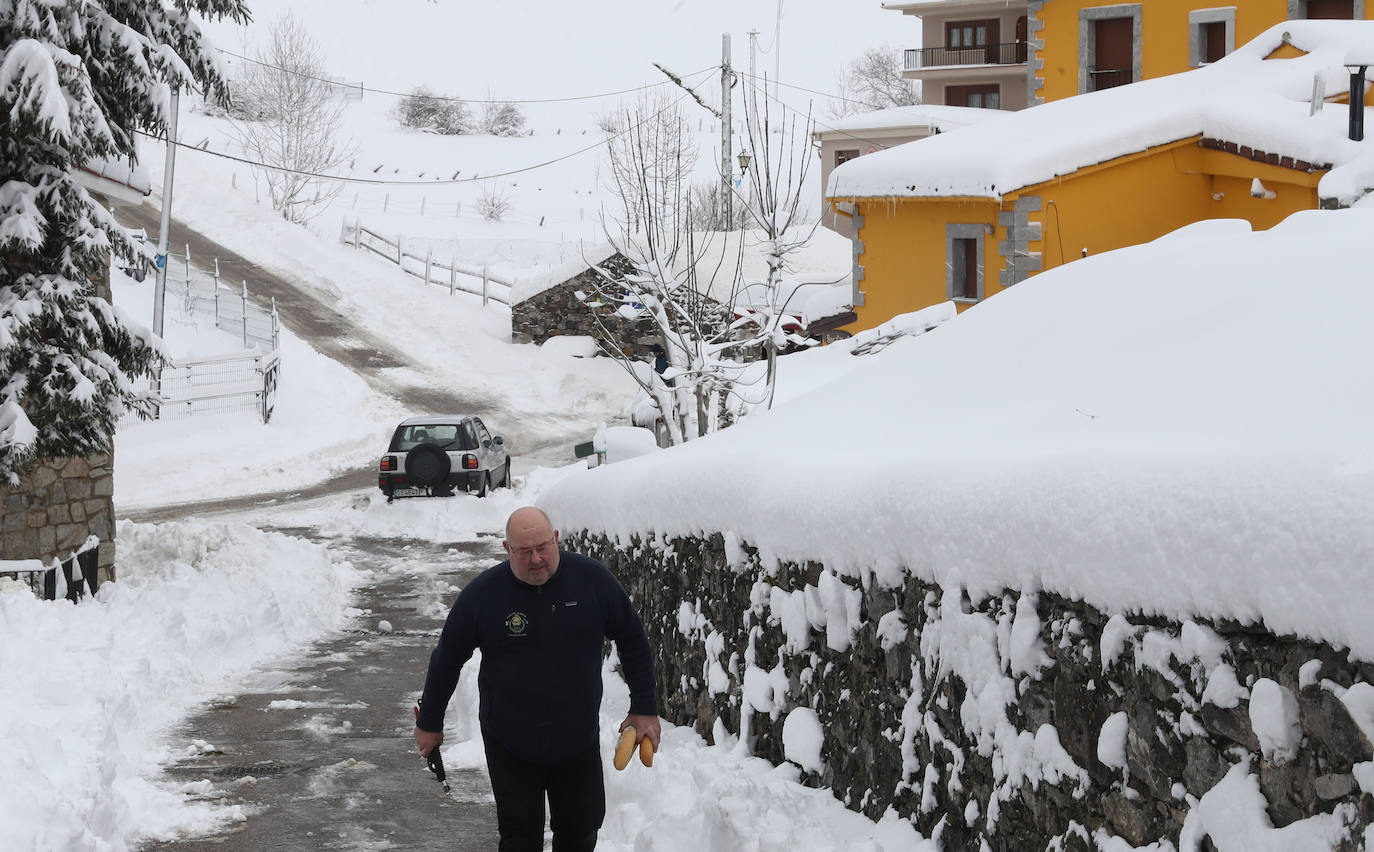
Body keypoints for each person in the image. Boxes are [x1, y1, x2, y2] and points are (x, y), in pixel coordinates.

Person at [414, 506, 660, 851]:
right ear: (506, 549)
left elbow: (633, 639)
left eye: (543, 547)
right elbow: (448, 658)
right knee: (519, 839)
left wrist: (645, 707)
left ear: (556, 539)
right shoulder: (484, 595)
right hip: (510, 740)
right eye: (524, 551)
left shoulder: (592, 581)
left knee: (580, 832)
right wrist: (430, 722)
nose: (536, 559)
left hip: (577, 738)